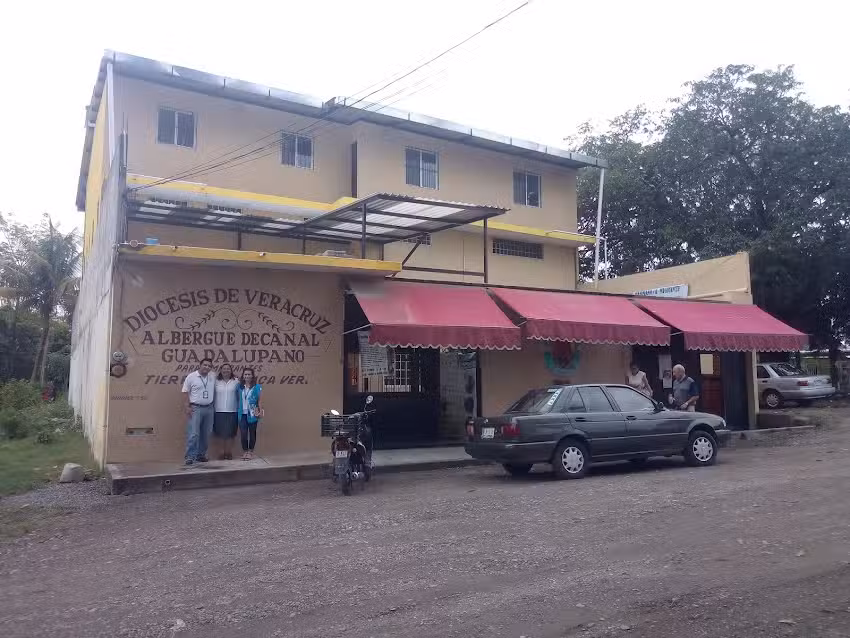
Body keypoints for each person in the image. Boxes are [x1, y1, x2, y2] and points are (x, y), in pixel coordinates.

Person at [181, 358, 216, 465]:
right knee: (194, 433)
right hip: (196, 408)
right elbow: (185, 392)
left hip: (209, 408)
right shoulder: (191, 377)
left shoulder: (213, 376)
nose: (207, 367)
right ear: (200, 365)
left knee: (206, 433)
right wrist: (187, 407)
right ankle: (190, 456)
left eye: (209, 366)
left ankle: (201, 455)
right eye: (205, 365)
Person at [212, 363, 239, 460]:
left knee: (231, 433)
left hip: (232, 411)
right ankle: (221, 452)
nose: (226, 370)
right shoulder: (216, 381)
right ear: (221, 370)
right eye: (224, 369)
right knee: (219, 433)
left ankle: (229, 452)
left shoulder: (236, 381)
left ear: (231, 370)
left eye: (228, 369)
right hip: (218, 411)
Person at [237, 368, 262, 460]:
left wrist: (259, 411)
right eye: (245, 374)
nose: (247, 376)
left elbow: (259, 400)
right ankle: (245, 451)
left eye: (249, 374)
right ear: (243, 376)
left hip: (252, 413)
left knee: (252, 433)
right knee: (243, 434)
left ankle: (250, 452)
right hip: (241, 414)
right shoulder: (239, 387)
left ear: (252, 376)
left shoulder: (257, 387)